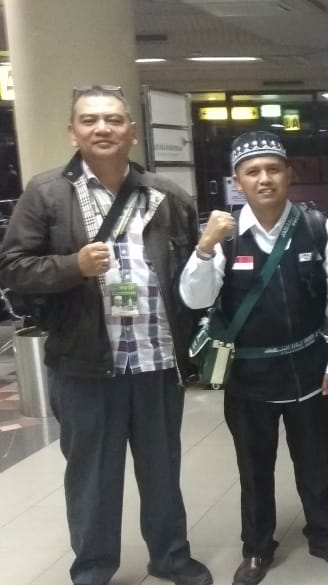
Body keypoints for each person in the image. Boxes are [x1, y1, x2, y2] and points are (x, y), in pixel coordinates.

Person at [0, 85, 213, 585]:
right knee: (92, 476)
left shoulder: (167, 196)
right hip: (85, 363)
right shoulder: (47, 192)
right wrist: (72, 266)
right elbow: (12, 268)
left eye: (114, 120)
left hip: (157, 361)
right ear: (72, 131)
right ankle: (94, 567)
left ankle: (171, 556)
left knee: (162, 469)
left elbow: (190, 275)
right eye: (90, 120)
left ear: (132, 132)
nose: (102, 128)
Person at [178, 131, 328, 585]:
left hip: (307, 368)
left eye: (273, 169)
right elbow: (195, 298)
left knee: (315, 460)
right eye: (252, 171)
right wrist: (203, 247)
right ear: (237, 179)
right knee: (254, 467)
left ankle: (325, 536)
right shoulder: (225, 235)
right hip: (248, 374)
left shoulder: (318, 227)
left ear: (289, 174)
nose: (264, 179)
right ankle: (257, 547)